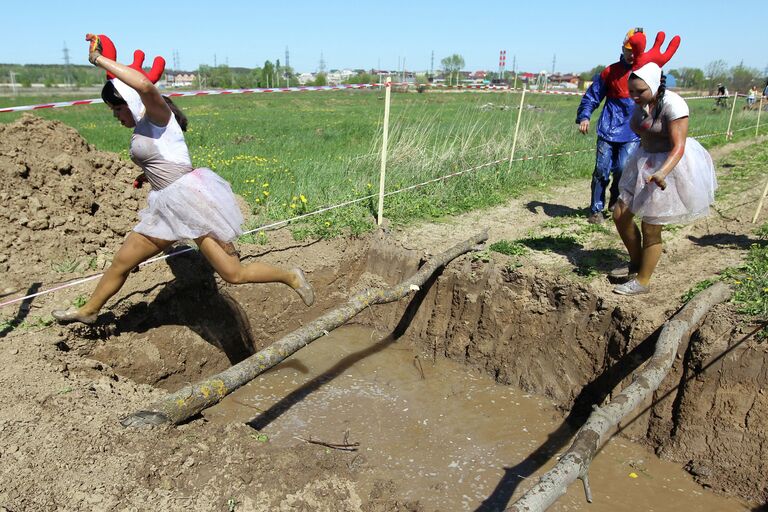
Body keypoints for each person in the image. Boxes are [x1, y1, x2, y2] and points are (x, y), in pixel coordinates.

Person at [52, 34, 315, 325]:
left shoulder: (158, 115)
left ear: (131, 101)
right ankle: (89, 311)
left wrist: (100, 60)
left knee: (233, 274)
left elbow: (144, 85)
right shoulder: (143, 126)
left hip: (190, 202)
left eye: (117, 108)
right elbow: (165, 157)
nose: (115, 115)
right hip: (165, 206)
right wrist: (148, 174)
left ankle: (290, 275)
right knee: (122, 262)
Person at [611, 60, 717, 295]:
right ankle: (636, 263)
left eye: (640, 91)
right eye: (632, 91)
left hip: (668, 166)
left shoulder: (674, 105)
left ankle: (643, 281)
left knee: (651, 226)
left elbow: (678, 147)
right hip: (643, 160)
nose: (634, 96)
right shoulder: (641, 104)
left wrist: (661, 173)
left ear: (655, 86)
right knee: (620, 214)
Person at [576, 28, 641, 224]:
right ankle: (596, 210)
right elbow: (592, 96)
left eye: (635, 50)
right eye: (629, 50)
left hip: (632, 130)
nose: (631, 54)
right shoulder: (610, 72)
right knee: (601, 169)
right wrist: (585, 116)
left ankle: (615, 198)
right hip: (608, 127)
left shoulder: (644, 72)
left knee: (622, 167)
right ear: (623, 48)